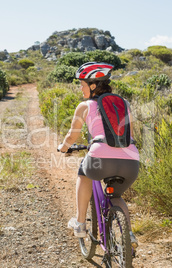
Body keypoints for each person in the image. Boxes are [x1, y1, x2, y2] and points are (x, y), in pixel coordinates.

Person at [58, 62, 139, 248]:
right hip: (131, 161)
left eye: (82, 84)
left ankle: (79, 224)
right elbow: (131, 135)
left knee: (83, 173)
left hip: (100, 157)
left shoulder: (85, 106)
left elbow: (72, 136)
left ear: (93, 86)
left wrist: (63, 148)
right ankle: (129, 234)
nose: (81, 88)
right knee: (116, 196)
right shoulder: (124, 104)